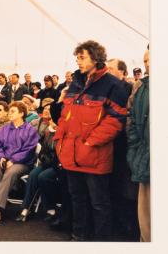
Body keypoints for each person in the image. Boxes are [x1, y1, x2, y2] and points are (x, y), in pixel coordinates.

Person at [54, 40, 128, 241]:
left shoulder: (113, 85)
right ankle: (79, 236)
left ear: (95, 58)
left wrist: (90, 143)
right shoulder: (75, 83)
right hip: (71, 154)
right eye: (77, 57)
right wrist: (59, 139)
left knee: (99, 203)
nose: (78, 61)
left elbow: (116, 120)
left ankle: (101, 241)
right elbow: (64, 116)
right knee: (77, 199)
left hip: (95, 156)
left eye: (82, 57)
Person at [0, 102, 39, 225]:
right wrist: (1, 157)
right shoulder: (4, 128)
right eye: (9, 111)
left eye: (13, 111)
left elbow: (29, 150)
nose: (9, 114)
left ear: (21, 114)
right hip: (3, 159)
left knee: (10, 173)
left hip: (22, 162)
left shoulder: (30, 130)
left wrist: (14, 160)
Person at [107, 58, 138, 238]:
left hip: (123, 146)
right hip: (109, 146)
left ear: (123, 73)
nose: (108, 72)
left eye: (112, 69)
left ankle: (126, 229)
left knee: (125, 190)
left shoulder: (129, 89)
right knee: (111, 188)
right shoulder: (106, 90)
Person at [16, 103, 60, 222]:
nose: (47, 111)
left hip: (59, 165)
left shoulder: (61, 131)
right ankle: (26, 209)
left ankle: (50, 208)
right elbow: (43, 150)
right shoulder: (47, 132)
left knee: (43, 177)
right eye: (45, 109)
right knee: (33, 175)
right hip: (47, 162)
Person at [127, 47, 150, 242]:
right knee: (146, 220)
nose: (147, 64)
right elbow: (132, 120)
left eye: (150, 60)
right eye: (145, 61)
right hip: (144, 159)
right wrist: (134, 153)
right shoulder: (142, 87)